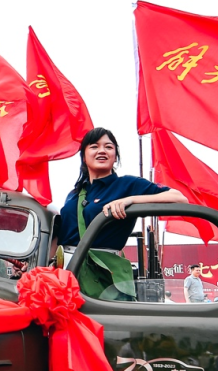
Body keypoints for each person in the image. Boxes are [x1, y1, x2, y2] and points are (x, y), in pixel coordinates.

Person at [59, 127, 187, 300]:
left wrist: (131, 200)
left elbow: (179, 198)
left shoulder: (127, 185)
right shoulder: (74, 194)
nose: (102, 151)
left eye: (109, 147)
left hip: (104, 274)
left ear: (116, 156)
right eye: (94, 146)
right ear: (83, 155)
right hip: (66, 272)